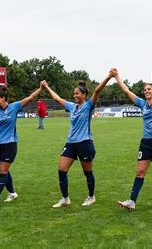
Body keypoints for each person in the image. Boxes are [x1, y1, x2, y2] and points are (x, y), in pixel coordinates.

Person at [43, 71, 113, 208]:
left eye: (77, 93)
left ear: (84, 95)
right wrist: (46, 87)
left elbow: (98, 90)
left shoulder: (88, 106)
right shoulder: (72, 107)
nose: (75, 96)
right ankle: (65, 198)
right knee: (61, 169)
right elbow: (57, 99)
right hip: (71, 143)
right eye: (74, 94)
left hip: (85, 143)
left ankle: (91, 196)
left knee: (87, 172)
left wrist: (109, 77)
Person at [115, 61, 152, 211]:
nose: (147, 91)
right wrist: (117, 77)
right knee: (140, 171)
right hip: (146, 143)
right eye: (145, 89)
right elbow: (127, 91)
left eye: (149, 89)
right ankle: (132, 201)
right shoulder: (142, 104)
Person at [0, 84, 43, 206]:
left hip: (9, 144)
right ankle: (12, 193)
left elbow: (30, 97)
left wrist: (41, 88)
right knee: (4, 171)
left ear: (3, 98)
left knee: (2, 171)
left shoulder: (14, 107)